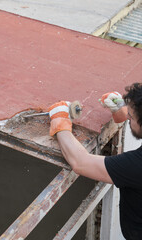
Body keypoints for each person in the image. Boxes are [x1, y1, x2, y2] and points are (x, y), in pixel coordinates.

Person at [49, 82, 142, 239]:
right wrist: (124, 108)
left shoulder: (136, 165)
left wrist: (60, 123)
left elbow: (80, 162)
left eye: (130, 117)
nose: (128, 118)